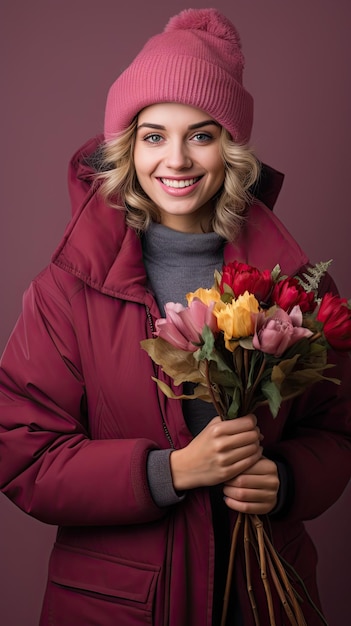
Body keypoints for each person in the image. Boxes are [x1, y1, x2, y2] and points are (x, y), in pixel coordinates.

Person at [0, 8, 350, 626]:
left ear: (231, 148)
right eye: (154, 135)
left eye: (201, 134)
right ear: (128, 148)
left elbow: (338, 431)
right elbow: (22, 453)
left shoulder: (290, 285)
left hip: (264, 597)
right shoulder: (67, 290)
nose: (177, 160)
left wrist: (289, 480)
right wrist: (168, 471)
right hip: (119, 607)